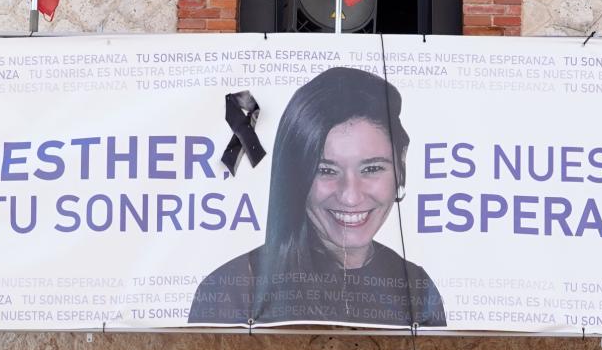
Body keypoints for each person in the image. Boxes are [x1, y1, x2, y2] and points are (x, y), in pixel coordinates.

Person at [188, 66, 446, 326]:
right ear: (295, 175)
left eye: (371, 168)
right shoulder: (231, 290)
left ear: (400, 166)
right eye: (326, 170)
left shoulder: (418, 291)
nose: (350, 196)